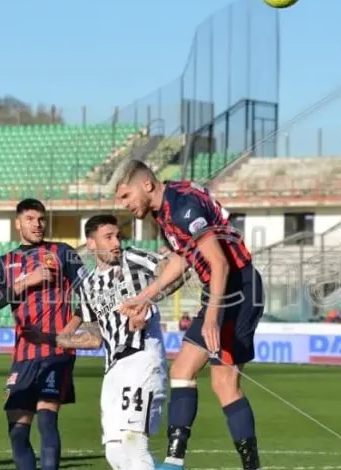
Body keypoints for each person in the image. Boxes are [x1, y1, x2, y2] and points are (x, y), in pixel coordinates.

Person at [113, 160, 263, 470]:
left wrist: (211, 316)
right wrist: (145, 297)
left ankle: (250, 466)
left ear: (147, 185)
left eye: (126, 197)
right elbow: (183, 257)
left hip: (239, 288)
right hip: (223, 289)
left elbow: (219, 263)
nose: (124, 205)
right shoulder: (165, 210)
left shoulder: (182, 207)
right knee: (182, 371)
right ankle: (173, 462)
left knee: (224, 383)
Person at [35, 214, 185, 469]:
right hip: (113, 370)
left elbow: (176, 272)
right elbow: (94, 338)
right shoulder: (88, 285)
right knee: (114, 452)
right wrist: (57, 339)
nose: (116, 242)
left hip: (142, 356)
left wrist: (146, 300)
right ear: (91, 243)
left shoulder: (132, 258)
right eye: (108, 237)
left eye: (118, 236)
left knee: (134, 442)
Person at [0, 199, 88, 470]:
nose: (37, 224)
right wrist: (27, 281)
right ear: (18, 223)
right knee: (17, 430)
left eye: (41, 219)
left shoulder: (63, 252)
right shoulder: (5, 262)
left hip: (57, 352)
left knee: (46, 418)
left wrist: (70, 328)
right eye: (30, 219)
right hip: (23, 355)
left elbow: (91, 293)